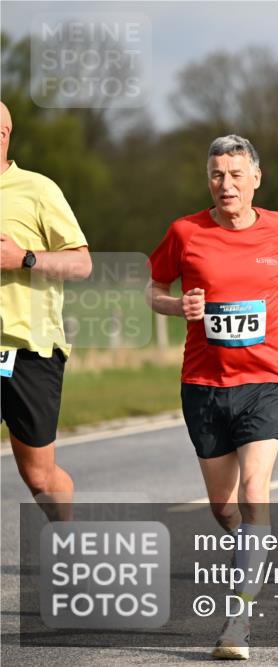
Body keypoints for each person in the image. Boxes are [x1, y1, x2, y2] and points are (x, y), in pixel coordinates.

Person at [147, 135, 278, 659]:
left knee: (254, 491)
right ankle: (252, 550)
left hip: (264, 381)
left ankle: (237, 620)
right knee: (224, 507)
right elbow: (153, 290)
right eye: (217, 174)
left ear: (256, 179)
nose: (227, 184)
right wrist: (178, 306)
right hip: (204, 386)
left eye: (237, 174)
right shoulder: (185, 232)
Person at [0, 100, 92, 522]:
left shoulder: (38, 190)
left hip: (29, 350)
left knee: (39, 476)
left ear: (4, 135)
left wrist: (25, 259)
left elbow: (81, 264)